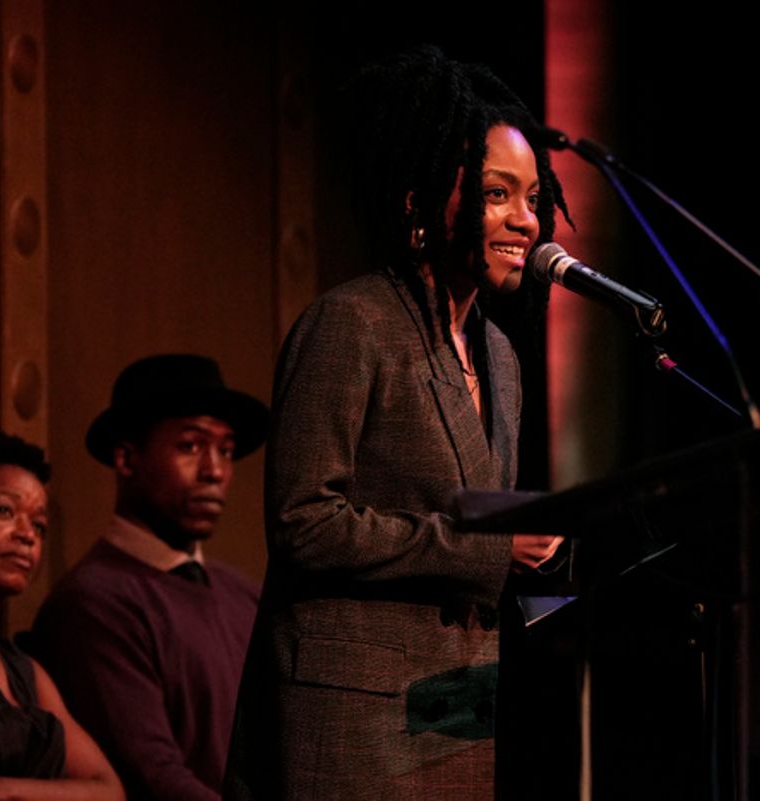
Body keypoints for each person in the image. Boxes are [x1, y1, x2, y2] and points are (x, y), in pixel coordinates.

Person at [224, 46, 568, 800]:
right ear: (420, 202)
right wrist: (488, 550)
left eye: (534, 198)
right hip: (350, 711)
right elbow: (303, 522)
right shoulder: (352, 323)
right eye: (497, 194)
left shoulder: (501, 358)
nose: (526, 220)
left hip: (456, 698)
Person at [30, 355, 268, 801]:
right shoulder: (94, 603)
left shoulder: (245, 595)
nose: (215, 471)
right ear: (126, 458)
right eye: (190, 446)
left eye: (226, 450)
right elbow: (151, 777)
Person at [0, 428, 124, 801]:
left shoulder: (25, 669)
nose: (28, 535)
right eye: (4, 511)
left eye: (39, 525)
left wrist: (5, 790)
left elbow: (108, 789)